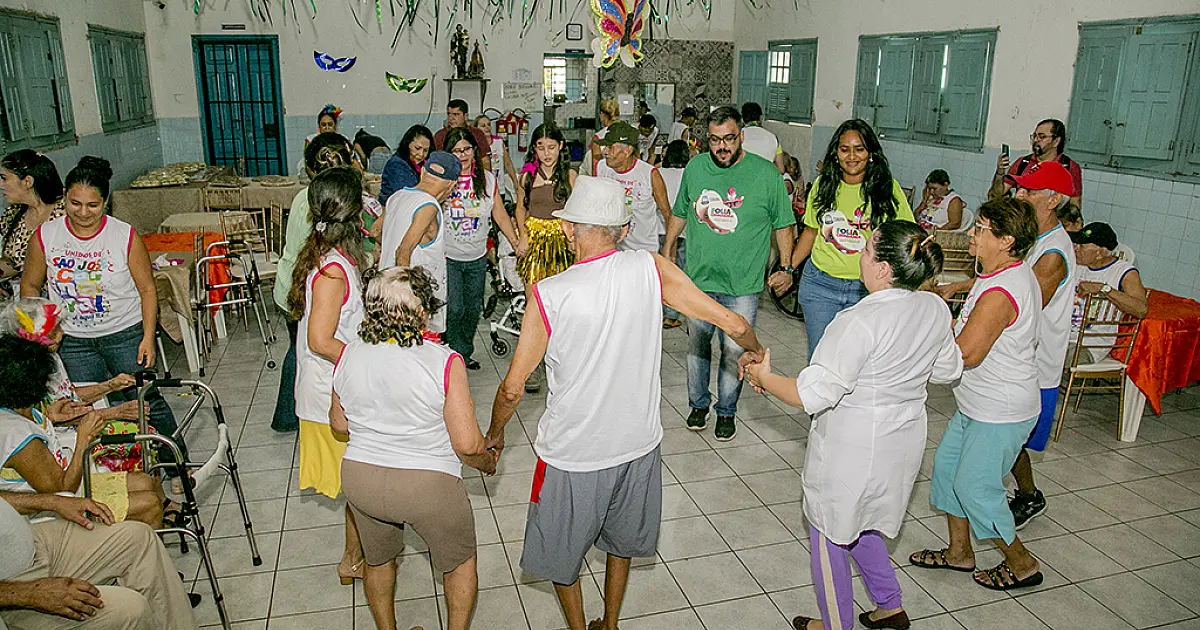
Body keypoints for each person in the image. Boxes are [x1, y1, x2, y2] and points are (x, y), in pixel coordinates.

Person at [485, 176, 764, 630]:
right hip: (638, 445)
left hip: (573, 455)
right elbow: (730, 320)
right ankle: (610, 624)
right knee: (622, 542)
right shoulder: (649, 268)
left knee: (561, 553)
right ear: (621, 228)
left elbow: (513, 389)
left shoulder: (549, 295)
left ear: (571, 229)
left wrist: (493, 436)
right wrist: (753, 354)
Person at [741, 221, 963, 630]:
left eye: (865, 250)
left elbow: (811, 396)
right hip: (903, 440)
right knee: (866, 520)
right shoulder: (933, 307)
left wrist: (764, 378)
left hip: (853, 447)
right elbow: (948, 370)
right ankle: (889, 606)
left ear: (882, 268)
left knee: (829, 534)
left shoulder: (856, 322)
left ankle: (835, 625)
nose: (859, 256)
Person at [332, 266, 496, 630]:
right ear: (421, 312)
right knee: (460, 563)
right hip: (428, 486)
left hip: (363, 481)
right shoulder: (444, 362)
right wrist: (488, 462)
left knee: (378, 561)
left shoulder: (347, 355)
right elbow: (468, 444)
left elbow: (340, 424)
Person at [910, 197, 1045, 593]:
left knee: (974, 487)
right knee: (949, 473)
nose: (972, 233)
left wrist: (917, 345)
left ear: (1005, 240)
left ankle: (1022, 563)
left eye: (980, 229)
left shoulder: (1001, 293)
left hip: (1000, 410)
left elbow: (967, 353)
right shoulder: (997, 273)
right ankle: (959, 553)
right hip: (977, 404)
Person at [20, 157, 182, 461]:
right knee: (87, 410)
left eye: (92, 205)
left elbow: (147, 289)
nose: (83, 213)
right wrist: (42, 329)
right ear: (64, 198)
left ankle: (175, 466)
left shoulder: (124, 236)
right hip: (73, 341)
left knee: (146, 401)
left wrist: (148, 336)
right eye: (75, 203)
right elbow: (30, 286)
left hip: (125, 334)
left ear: (105, 202)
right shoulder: (46, 236)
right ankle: (110, 470)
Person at [945, 161, 1078, 530]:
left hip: (1035, 364)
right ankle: (1024, 494)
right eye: (1019, 188)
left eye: (1029, 191)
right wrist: (959, 289)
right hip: (1007, 363)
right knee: (1001, 440)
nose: (1019, 194)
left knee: (1009, 437)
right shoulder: (1029, 241)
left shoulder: (1053, 253)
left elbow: (1012, 304)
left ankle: (1025, 500)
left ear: (1052, 200)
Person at [661, 105, 796, 442]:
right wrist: (668, 250)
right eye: (715, 140)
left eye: (729, 139)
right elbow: (679, 213)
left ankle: (726, 411)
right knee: (697, 346)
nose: (722, 146)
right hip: (699, 282)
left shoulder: (765, 175)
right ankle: (698, 404)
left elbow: (784, 225)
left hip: (743, 286)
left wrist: (787, 266)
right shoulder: (695, 168)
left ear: (742, 137)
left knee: (734, 351)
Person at [287, 167, 369, 585]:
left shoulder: (328, 256)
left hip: (333, 389)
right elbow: (321, 340)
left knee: (361, 486)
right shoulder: (333, 273)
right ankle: (353, 559)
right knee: (361, 487)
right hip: (330, 394)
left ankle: (355, 557)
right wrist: (367, 362)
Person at [0, 334, 168, 529]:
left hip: (65, 486)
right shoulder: (19, 437)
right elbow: (63, 493)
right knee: (150, 504)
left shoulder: (23, 410)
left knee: (147, 482)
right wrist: (84, 440)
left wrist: (53, 419)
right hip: (48, 514)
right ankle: (136, 552)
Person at [790, 119, 915, 359]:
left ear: (870, 153)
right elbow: (811, 232)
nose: (852, 156)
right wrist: (788, 268)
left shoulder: (888, 190)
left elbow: (907, 236)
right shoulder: (823, 185)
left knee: (860, 362)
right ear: (836, 154)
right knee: (821, 359)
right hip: (820, 285)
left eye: (859, 149)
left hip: (867, 289)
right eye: (844, 149)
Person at [0, 490, 199, 630]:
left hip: (33, 544)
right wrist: (29, 594)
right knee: (130, 609)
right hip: (14, 592)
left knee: (138, 538)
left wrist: (52, 502)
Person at [271, 133, 356, 433]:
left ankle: (290, 414)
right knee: (303, 352)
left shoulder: (305, 198)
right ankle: (288, 415)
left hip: (294, 284)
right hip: (298, 286)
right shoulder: (320, 205)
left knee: (300, 350)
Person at [442, 127, 519, 369]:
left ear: (474, 151)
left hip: (477, 257)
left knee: (473, 309)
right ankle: (452, 354)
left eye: (466, 149)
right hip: (448, 257)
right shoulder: (443, 181)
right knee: (454, 308)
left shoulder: (488, 180)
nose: (462, 155)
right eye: (456, 150)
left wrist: (515, 242)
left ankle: (463, 352)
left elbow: (501, 215)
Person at [513, 125, 579, 390]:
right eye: (541, 147)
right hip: (535, 245)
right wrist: (523, 236)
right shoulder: (526, 177)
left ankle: (564, 363)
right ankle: (535, 366)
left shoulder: (571, 176)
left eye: (551, 147)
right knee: (535, 307)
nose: (546, 153)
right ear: (534, 149)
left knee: (564, 307)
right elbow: (520, 208)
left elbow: (577, 211)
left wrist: (576, 241)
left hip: (563, 244)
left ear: (561, 146)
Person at [377, 151, 462, 336]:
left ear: (423, 171)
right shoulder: (428, 206)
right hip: (412, 304)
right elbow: (403, 252)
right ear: (452, 184)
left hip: (384, 293)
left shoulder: (396, 197)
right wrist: (406, 305)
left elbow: (379, 234)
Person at [1069, 222, 1148, 362]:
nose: (1076, 248)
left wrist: (1104, 289)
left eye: (1082, 246)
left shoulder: (1124, 272)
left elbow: (1141, 309)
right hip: (1061, 335)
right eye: (1076, 244)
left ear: (1101, 252)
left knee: (1050, 359)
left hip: (1088, 344)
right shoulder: (1075, 265)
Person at [595, 122, 671, 254]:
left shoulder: (649, 174)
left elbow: (667, 215)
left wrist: (670, 251)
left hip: (644, 251)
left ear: (627, 151)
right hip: (612, 250)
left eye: (610, 147)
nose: (605, 151)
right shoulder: (602, 168)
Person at [0, 150, 65, 298]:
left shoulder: (66, 211)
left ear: (27, 181)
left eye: (5, 178)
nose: (1, 185)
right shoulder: (14, 214)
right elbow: (14, 264)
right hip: (30, 296)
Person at [988, 118, 1083, 208]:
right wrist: (1000, 173)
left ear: (1056, 141)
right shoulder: (1023, 163)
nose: (1036, 140)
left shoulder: (1069, 167)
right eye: (1035, 136)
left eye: (1042, 137)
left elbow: (1075, 204)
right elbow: (997, 194)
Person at [658, 140, 689, 329]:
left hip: (658, 230)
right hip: (683, 232)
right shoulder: (689, 174)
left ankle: (656, 313)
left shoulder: (658, 173)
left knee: (660, 275)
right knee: (678, 274)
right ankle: (671, 315)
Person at [380, 125, 434, 206]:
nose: (421, 154)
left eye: (425, 150)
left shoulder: (422, 165)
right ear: (407, 144)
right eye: (417, 148)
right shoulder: (396, 165)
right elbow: (409, 196)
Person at [432, 100, 492, 172]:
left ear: (465, 116)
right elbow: (436, 162)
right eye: (449, 114)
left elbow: (485, 160)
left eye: (456, 114)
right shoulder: (440, 135)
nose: (451, 118)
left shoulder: (477, 134)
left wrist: (485, 180)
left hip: (474, 176)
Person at [474, 114, 517, 202]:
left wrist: (515, 182)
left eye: (489, 124)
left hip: (499, 188)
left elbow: (508, 163)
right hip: (483, 189)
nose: (487, 127)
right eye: (483, 126)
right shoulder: (474, 145)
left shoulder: (499, 142)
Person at [740, 102, 786, 173]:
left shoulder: (736, 136)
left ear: (742, 119)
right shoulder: (773, 138)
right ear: (761, 118)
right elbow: (781, 169)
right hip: (765, 180)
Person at [587, 98, 621, 176]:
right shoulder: (628, 132)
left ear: (602, 115)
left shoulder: (598, 137)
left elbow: (596, 166)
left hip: (606, 177)